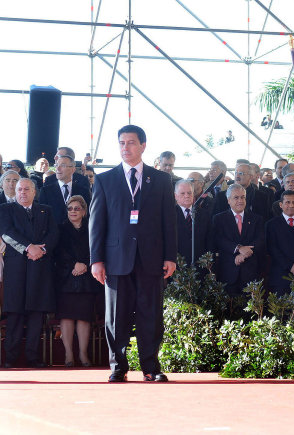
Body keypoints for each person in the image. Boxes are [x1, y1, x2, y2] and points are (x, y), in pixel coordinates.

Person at [89, 125, 177, 383]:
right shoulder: (105, 180)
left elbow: (168, 222)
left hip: (151, 259)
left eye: (130, 143)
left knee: (151, 315)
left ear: (143, 146)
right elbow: (97, 223)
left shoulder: (160, 180)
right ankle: (118, 367)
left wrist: (170, 256)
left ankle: (151, 367)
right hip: (116, 260)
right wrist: (96, 260)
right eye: (121, 143)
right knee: (116, 317)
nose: (125, 148)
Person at [0, 178, 59, 368]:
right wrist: (28, 247)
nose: (22, 192)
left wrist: (42, 250)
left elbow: (54, 234)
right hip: (16, 268)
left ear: (34, 192)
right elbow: (7, 233)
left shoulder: (46, 210)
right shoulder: (6, 209)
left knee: (36, 314)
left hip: (39, 267)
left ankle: (33, 358)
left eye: (26, 189)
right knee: (15, 314)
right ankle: (10, 359)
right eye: (19, 189)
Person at [54, 195, 101, 367]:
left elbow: (97, 247)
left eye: (77, 208)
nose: (73, 211)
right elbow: (58, 251)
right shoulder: (60, 228)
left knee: (84, 317)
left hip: (87, 278)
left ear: (84, 211)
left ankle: (83, 354)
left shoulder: (92, 227)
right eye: (70, 208)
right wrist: (74, 264)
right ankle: (68, 355)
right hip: (65, 277)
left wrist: (86, 265)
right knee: (66, 317)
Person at [210, 184, 265, 296]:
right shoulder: (219, 219)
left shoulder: (257, 219)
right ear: (228, 200)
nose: (240, 200)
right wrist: (238, 248)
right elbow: (218, 240)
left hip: (251, 273)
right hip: (228, 272)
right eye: (236, 197)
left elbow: (260, 240)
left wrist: (243, 255)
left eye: (243, 197)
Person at [265, 190, 294, 295]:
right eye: (287, 202)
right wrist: (290, 266)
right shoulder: (271, 225)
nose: (291, 205)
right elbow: (272, 249)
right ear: (281, 205)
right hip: (280, 277)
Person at [39, 155, 91, 225]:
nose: (58, 168)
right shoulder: (46, 191)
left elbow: (88, 215)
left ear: (73, 169)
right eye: (56, 165)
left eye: (63, 165)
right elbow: (42, 218)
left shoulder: (84, 191)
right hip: (54, 234)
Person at [175, 180, 210, 264]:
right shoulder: (169, 214)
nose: (187, 196)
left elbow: (209, 239)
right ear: (175, 196)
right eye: (182, 193)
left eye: (189, 193)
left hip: (200, 263)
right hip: (177, 265)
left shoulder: (204, 214)